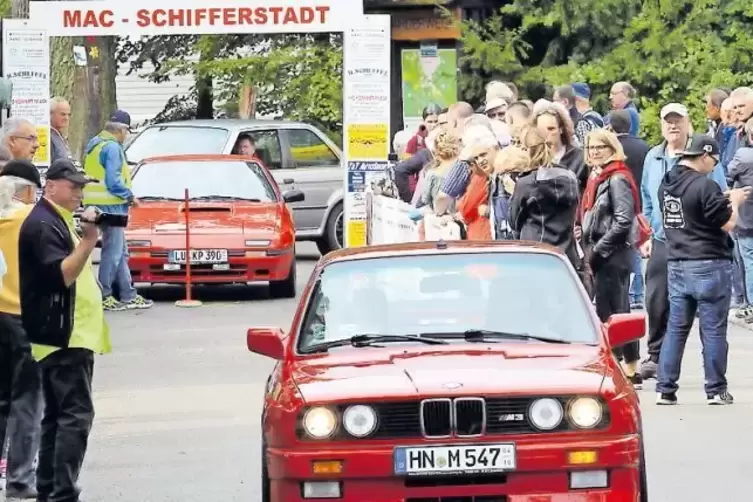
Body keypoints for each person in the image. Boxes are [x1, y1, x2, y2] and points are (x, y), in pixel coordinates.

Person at [19, 160, 112, 501]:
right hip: (64, 334)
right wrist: (88, 241)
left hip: (65, 332)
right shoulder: (44, 224)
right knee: (75, 416)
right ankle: (62, 492)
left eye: (81, 188)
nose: (79, 194)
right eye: (73, 187)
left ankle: (50, 487)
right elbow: (62, 275)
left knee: (58, 416)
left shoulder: (53, 218)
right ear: (52, 186)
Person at [655, 135, 750, 406]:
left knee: (676, 327)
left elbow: (693, 209)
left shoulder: (668, 184)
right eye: (715, 161)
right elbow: (727, 224)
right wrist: (734, 201)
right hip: (709, 263)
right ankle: (716, 389)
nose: (714, 166)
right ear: (705, 155)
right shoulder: (705, 185)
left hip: (677, 262)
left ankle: (666, 388)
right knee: (713, 330)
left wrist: (720, 200)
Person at [638, 103, 728, 380]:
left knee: (696, 313)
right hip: (662, 239)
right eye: (668, 121)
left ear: (688, 124)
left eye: (678, 121)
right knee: (656, 300)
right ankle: (654, 357)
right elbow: (646, 198)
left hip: (697, 243)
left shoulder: (704, 155)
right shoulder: (653, 156)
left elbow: (719, 196)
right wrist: (647, 235)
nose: (673, 126)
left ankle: (705, 375)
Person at [578, 129, 641, 388]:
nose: (594, 151)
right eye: (591, 147)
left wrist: (599, 250)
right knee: (610, 309)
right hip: (601, 250)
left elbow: (624, 220)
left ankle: (628, 369)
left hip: (613, 254)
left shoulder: (616, 177)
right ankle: (623, 367)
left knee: (616, 312)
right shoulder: (597, 176)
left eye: (600, 146)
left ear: (611, 148)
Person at [0, 161, 43, 500]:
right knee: (27, 401)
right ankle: (19, 480)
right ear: (26, 190)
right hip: (24, 317)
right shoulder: (31, 219)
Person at [82, 111, 153, 311]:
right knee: (112, 253)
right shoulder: (112, 148)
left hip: (96, 205)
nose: (126, 136)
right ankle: (104, 294)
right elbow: (113, 182)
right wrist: (129, 196)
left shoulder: (95, 143)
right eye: (127, 131)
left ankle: (128, 294)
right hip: (112, 205)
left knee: (120, 252)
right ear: (121, 130)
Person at [508, 127, 582, 270]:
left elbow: (514, 221)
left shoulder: (526, 182)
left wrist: (513, 192)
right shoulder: (569, 176)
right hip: (565, 253)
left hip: (535, 252)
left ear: (527, 150)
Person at [606, 109, 651, 310]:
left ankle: (627, 290)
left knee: (621, 245)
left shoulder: (612, 149)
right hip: (639, 200)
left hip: (617, 202)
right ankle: (638, 292)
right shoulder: (644, 147)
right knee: (636, 245)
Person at [49, 97, 72, 163]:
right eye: (63, 114)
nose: (66, 118)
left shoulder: (59, 135)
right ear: (50, 114)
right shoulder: (48, 138)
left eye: (68, 115)